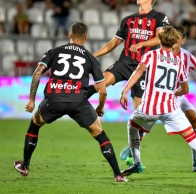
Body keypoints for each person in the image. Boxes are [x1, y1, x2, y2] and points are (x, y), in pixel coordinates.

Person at [13, 22, 127, 182]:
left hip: (53, 99)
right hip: (78, 101)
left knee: (34, 125)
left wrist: (32, 99)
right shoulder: (90, 57)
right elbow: (103, 90)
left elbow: (37, 74)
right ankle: (118, 174)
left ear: (69, 35)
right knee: (100, 134)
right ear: (86, 37)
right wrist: (99, 107)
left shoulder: (54, 52)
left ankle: (24, 166)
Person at [119, 26, 196, 182]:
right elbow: (185, 88)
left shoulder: (151, 55)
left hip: (149, 108)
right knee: (194, 140)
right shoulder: (178, 61)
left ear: (160, 40)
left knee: (132, 125)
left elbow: (138, 73)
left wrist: (125, 91)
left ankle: (137, 163)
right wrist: (170, 93)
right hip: (171, 108)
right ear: (173, 42)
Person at [87, 0, 169, 111]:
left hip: (144, 68)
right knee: (100, 84)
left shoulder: (159, 17)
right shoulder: (128, 20)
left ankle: (139, 129)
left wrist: (141, 44)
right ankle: (76, 99)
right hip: (124, 62)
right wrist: (93, 55)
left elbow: (160, 38)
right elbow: (113, 43)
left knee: (139, 112)